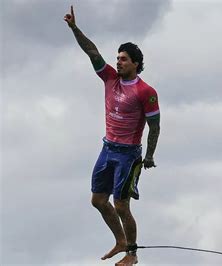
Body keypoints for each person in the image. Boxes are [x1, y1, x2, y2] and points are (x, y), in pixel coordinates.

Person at [64, 5, 160, 266]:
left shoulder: (145, 91)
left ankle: (132, 253)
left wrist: (149, 156)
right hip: (107, 148)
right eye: (117, 58)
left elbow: (155, 126)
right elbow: (92, 51)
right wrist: (74, 28)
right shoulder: (109, 78)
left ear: (136, 64)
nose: (118, 62)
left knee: (121, 204)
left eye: (124, 59)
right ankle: (119, 240)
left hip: (128, 154)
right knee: (97, 200)